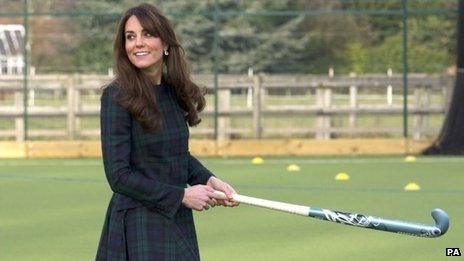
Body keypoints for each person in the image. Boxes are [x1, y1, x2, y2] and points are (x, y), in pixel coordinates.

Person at [96, 3, 238, 260]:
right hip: (138, 222)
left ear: (165, 44)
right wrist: (182, 195)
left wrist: (207, 179)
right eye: (130, 37)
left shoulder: (173, 91)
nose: (138, 43)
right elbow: (118, 176)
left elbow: (177, 155)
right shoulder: (116, 97)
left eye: (147, 34)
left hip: (175, 217)